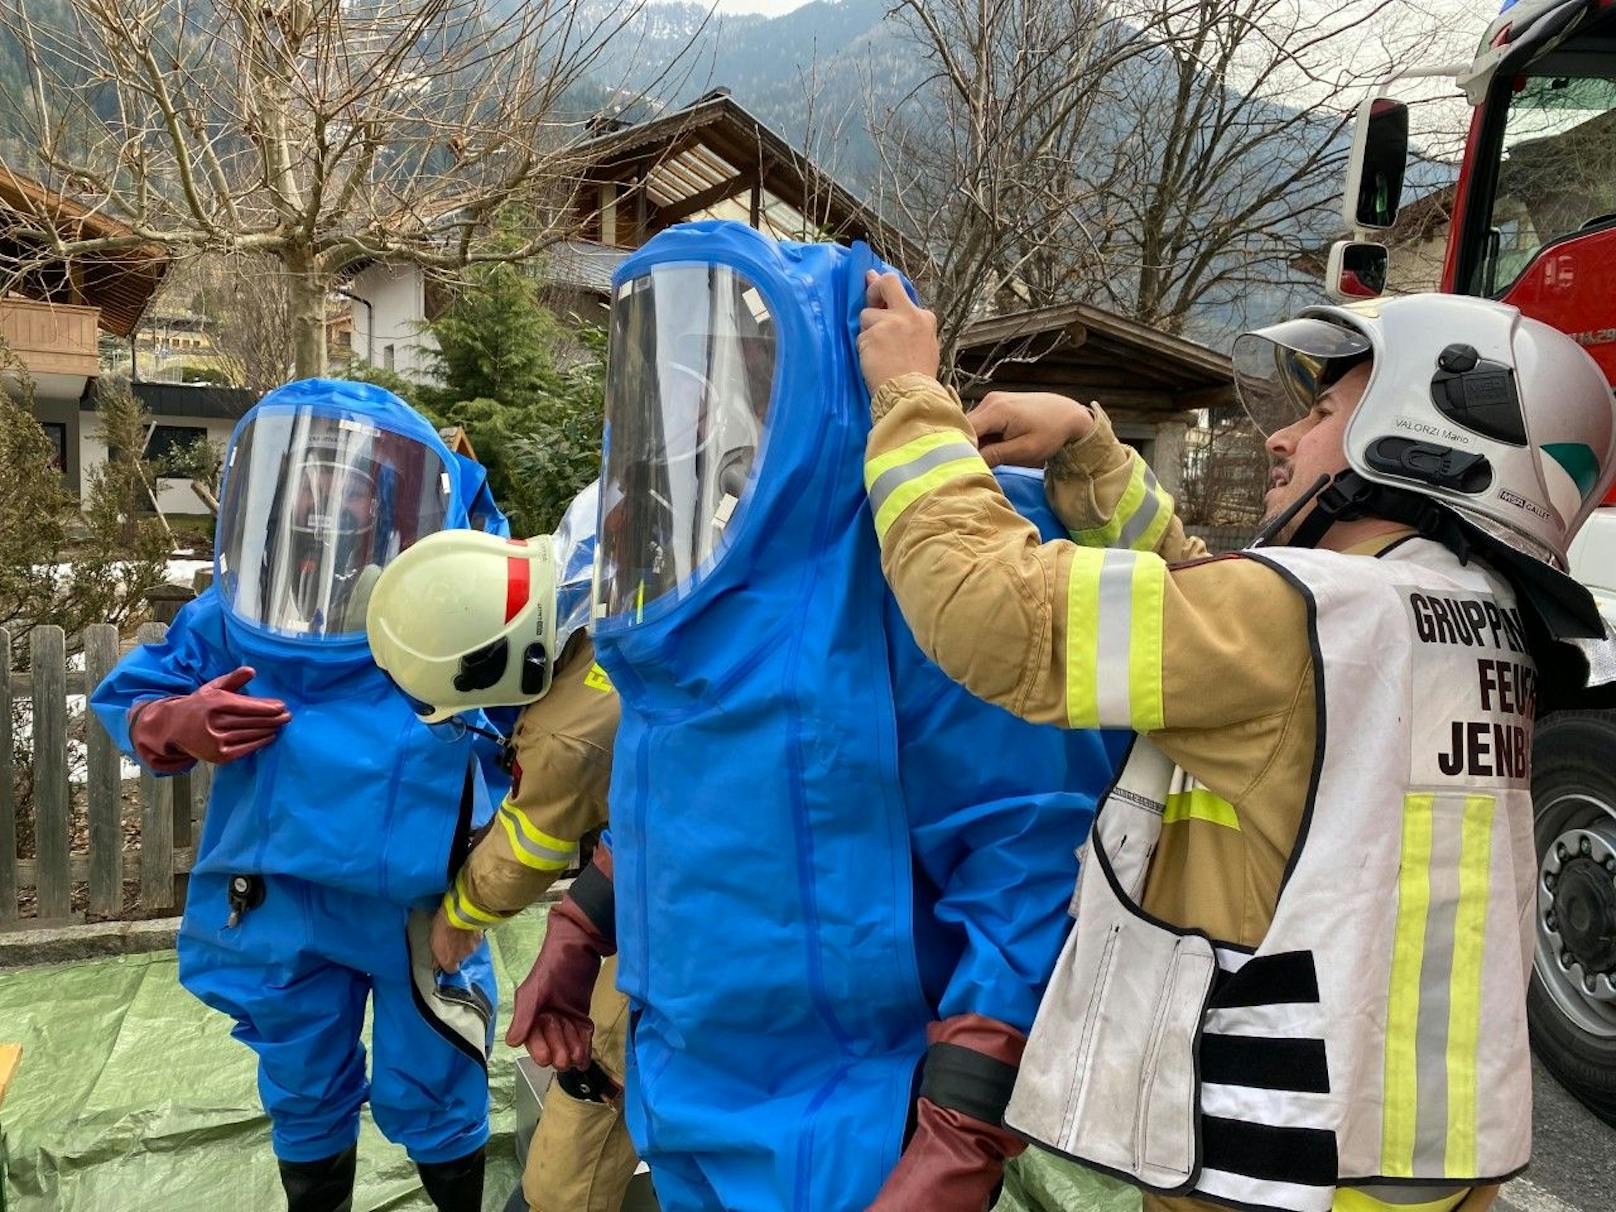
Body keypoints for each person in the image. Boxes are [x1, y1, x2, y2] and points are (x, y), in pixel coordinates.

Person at [852, 281, 1616, 1212]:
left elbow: (986, 607)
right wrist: (1093, 452)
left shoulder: (1311, 618)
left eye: (1328, 411)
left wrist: (910, 401)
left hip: (1273, 1167)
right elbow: (1204, 607)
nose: (1281, 440)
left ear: (1429, 437)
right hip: (1420, 1164)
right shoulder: (1461, 623)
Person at [534, 219, 1122, 1212]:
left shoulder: (921, 571)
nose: (686, 416)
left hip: (853, 1129)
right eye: (668, 380)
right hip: (685, 1090)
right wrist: (583, 921)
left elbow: (1024, 855)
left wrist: (961, 1122)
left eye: (724, 379)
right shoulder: (681, 596)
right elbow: (684, 803)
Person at [90, 380, 512, 1212]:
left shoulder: (449, 606)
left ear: (395, 490)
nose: (331, 492)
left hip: (417, 905)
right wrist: (175, 719)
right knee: (301, 1079)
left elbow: (530, 716)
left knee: (435, 1072)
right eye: (316, 471)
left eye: (353, 476)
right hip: (278, 894)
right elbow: (136, 692)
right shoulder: (238, 610)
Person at [368, 482, 641, 1212]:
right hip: (724, 860)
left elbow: (527, 847)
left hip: (694, 902)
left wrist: (456, 916)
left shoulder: (564, 735)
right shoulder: (600, 551)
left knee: (600, 1073)